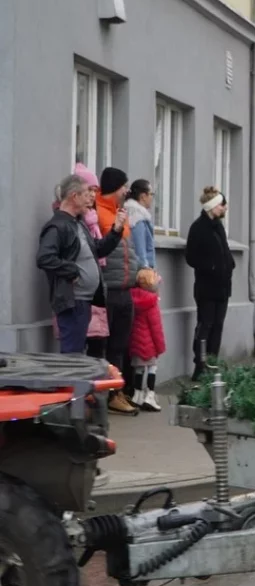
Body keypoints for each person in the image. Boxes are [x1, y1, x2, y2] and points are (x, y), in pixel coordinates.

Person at [37, 174, 124, 354]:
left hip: (84, 301)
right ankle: (69, 383)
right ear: (74, 196)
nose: (91, 198)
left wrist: (116, 231)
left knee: (78, 354)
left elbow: (97, 250)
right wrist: (72, 271)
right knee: (72, 355)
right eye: (87, 193)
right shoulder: (58, 226)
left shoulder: (78, 224)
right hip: (72, 302)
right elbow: (45, 257)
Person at [96, 167, 144, 414]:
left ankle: (118, 393)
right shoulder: (98, 214)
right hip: (108, 290)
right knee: (104, 346)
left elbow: (129, 251)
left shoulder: (119, 213)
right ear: (115, 187)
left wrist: (139, 275)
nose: (127, 190)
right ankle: (104, 395)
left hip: (125, 288)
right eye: (124, 186)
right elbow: (101, 249)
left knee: (121, 345)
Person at [185, 186, 235, 380]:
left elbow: (224, 250)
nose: (225, 208)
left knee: (218, 327)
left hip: (222, 288)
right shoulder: (198, 228)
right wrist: (212, 267)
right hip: (206, 288)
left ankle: (213, 364)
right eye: (222, 204)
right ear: (212, 206)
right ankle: (200, 365)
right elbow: (191, 257)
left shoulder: (218, 227)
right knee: (205, 326)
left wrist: (230, 263)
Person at [128, 268, 166, 411]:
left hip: (136, 342)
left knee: (138, 369)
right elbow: (156, 328)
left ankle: (137, 395)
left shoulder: (132, 298)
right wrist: (160, 346)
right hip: (149, 344)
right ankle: (150, 395)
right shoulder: (152, 303)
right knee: (152, 368)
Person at [124, 179, 156, 271]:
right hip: (141, 270)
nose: (152, 198)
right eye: (151, 194)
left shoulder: (130, 212)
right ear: (143, 196)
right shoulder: (138, 217)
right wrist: (145, 267)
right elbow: (139, 247)